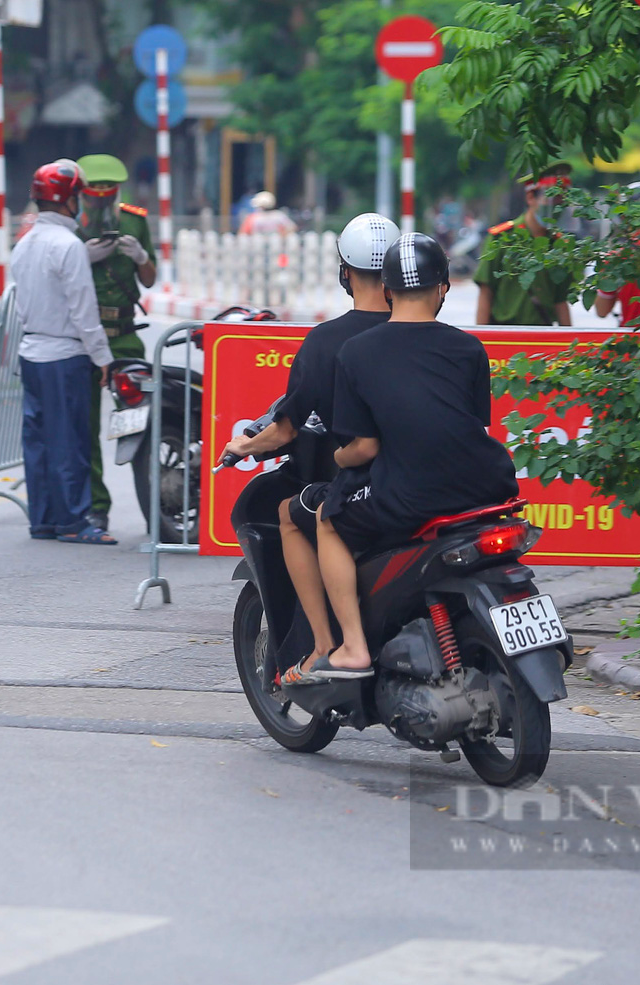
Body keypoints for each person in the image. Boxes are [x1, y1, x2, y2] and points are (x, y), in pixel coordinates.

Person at [310, 233, 520, 678]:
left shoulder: (356, 352)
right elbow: (470, 427)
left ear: (386, 290)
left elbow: (364, 447)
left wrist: (341, 459)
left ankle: (352, 646)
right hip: (487, 487)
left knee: (327, 519)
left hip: (413, 496)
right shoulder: (469, 348)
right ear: (443, 287)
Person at [221, 213, 398, 682]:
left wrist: (243, 446)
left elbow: (285, 430)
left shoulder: (328, 343)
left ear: (345, 272)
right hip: (431, 481)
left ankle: (325, 644)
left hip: (362, 487)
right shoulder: (436, 339)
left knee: (291, 514)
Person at [12, 159, 118, 544]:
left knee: (38, 442)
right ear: (69, 199)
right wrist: (103, 358)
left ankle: (43, 519)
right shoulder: (68, 246)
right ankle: (74, 521)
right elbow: (84, 312)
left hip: (32, 352)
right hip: (64, 355)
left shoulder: (24, 244)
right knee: (70, 441)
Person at [75, 154, 156, 533]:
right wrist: (83, 257)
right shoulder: (71, 225)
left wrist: (140, 257)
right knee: (86, 427)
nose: (104, 197)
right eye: (96, 192)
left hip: (124, 337)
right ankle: (96, 506)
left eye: (111, 190)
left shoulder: (134, 221)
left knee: (143, 422)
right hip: (86, 339)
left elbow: (151, 279)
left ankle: (154, 499)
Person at [474, 174, 574, 326]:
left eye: (561, 199)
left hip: (543, 336)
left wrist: (569, 345)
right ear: (530, 198)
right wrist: (483, 341)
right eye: (550, 198)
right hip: (505, 334)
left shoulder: (560, 246)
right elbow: (486, 292)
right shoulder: (502, 238)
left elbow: (560, 301)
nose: (556, 205)